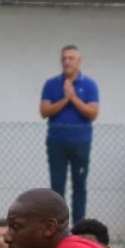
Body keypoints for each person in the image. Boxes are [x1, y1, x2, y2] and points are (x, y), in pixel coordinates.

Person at [39, 45, 99, 222]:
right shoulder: (51, 84)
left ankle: (79, 226)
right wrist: (65, 98)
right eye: (64, 58)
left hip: (81, 142)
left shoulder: (89, 85)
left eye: (71, 58)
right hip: (56, 141)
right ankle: (59, 225)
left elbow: (93, 113)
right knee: (57, 186)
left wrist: (73, 98)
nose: (67, 62)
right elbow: (44, 111)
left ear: (79, 61)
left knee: (79, 185)